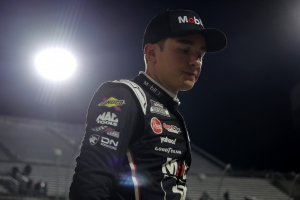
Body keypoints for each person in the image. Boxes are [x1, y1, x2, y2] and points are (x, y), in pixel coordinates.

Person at [69, 9, 226, 200]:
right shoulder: (124, 95)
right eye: (184, 50)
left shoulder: (174, 114)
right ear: (151, 52)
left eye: (200, 55)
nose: (195, 62)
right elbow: (91, 182)